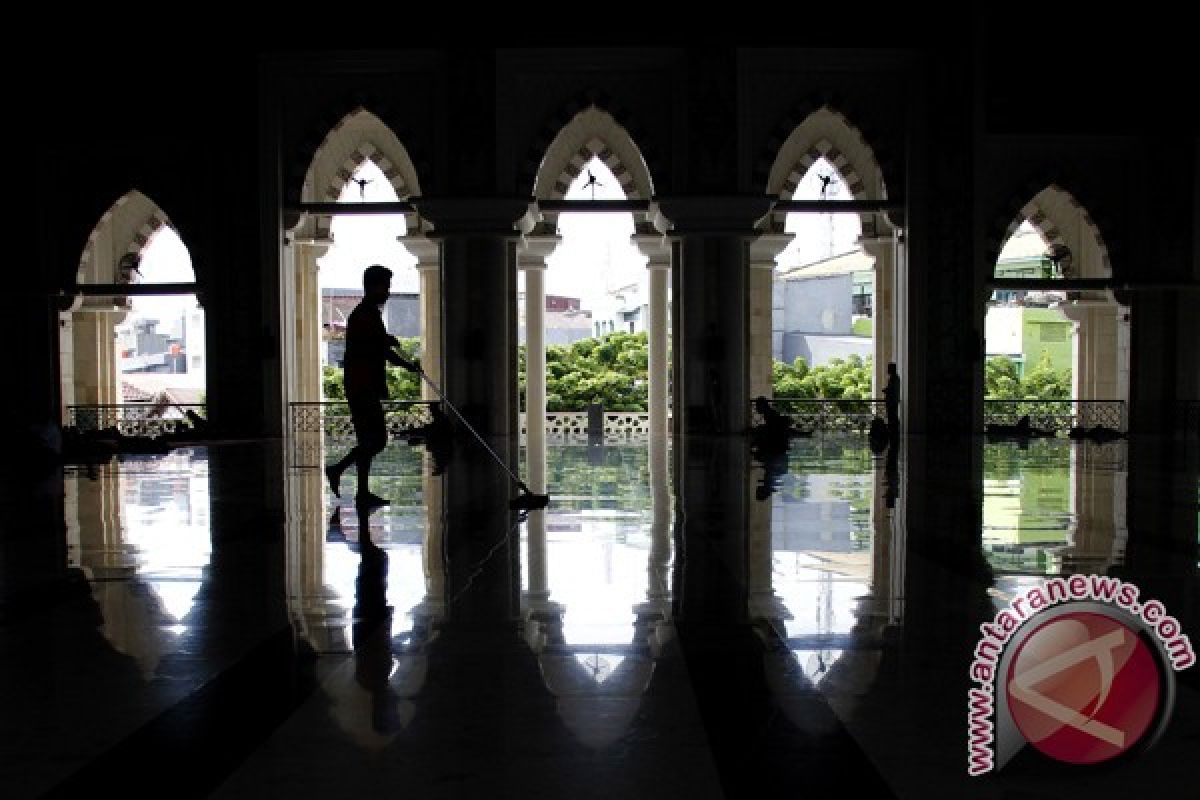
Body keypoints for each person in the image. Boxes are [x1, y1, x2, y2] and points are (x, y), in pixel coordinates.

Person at [325, 265, 420, 509]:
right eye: (385, 287)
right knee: (376, 441)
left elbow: (376, 346)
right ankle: (337, 470)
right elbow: (378, 350)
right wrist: (406, 363)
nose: (388, 293)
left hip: (361, 385)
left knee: (368, 440)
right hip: (362, 386)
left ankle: (362, 491)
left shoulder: (366, 314)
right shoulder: (365, 315)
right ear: (373, 286)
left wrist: (387, 343)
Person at [883, 362, 900, 438]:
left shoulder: (893, 378)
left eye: (889, 368)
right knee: (892, 416)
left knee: (892, 417)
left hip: (891, 402)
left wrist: (885, 390)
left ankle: (893, 432)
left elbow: (891, 389)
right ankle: (893, 432)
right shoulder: (895, 377)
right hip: (893, 401)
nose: (887, 370)